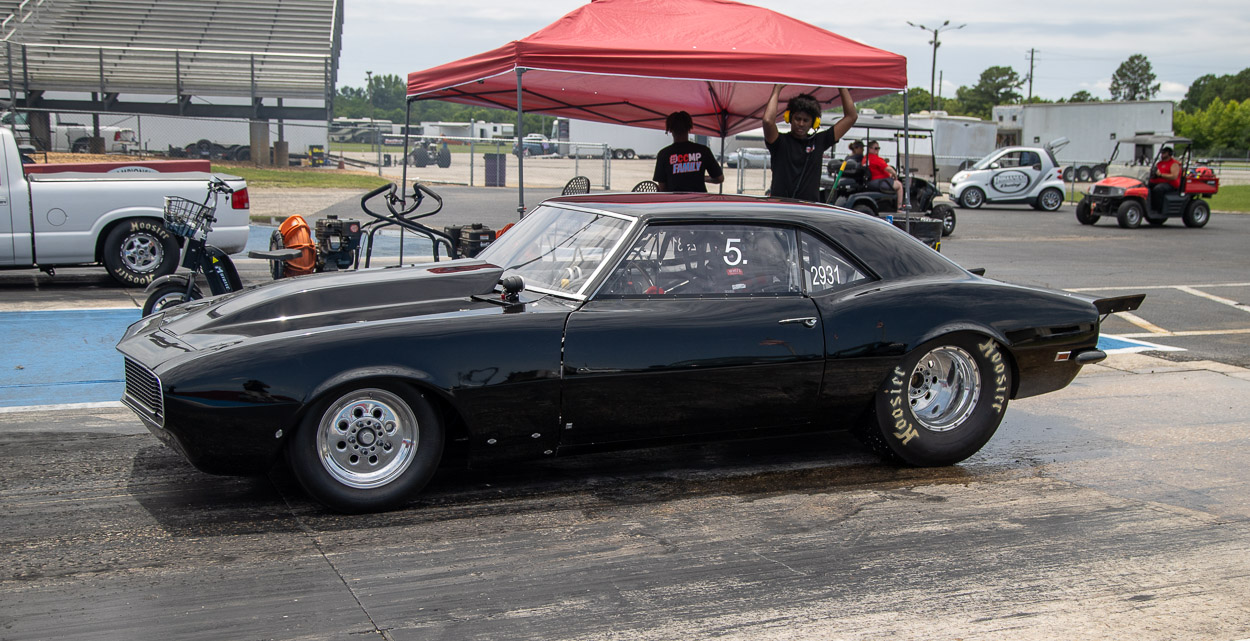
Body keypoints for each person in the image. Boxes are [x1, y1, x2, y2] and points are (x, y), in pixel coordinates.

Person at [762, 85, 857, 202]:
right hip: (781, 207)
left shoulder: (820, 141)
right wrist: (777, 89)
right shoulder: (779, 142)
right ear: (789, 118)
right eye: (797, 119)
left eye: (806, 120)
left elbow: (851, 117)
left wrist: (841, 86)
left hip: (809, 208)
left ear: (814, 123)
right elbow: (767, 121)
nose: (801, 124)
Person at [653, 111, 724, 192]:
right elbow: (719, 178)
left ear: (670, 129)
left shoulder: (663, 154)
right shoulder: (703, 151)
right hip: (698, 199)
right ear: (689, 128)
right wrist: (701, 178)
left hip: (674, 200)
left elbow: (662, 188)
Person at [864, 140, 905, 211]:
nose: (877, 150)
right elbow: (888, 168)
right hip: (879, 182)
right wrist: (895, 175)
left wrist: (890, 174)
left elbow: (880, 169)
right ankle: (899, 208)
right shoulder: (875, 159)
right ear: (870, 149)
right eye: (876, 148)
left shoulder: (866, 158)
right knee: (899, 185)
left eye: (878, 148)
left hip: (874, 181)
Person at [1149, 146, 1181, 212]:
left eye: (1164, 153)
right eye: (1162, 153)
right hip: (1158, 182)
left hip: (1170, 183)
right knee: (1145, 186)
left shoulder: (1174, 164)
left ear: (1169, 154)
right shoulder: (1159, 163)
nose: (1162, 154)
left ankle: (1157, 209)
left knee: (1158, 189)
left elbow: (1174, 176)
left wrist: (1161, 175)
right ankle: (1148, 205)